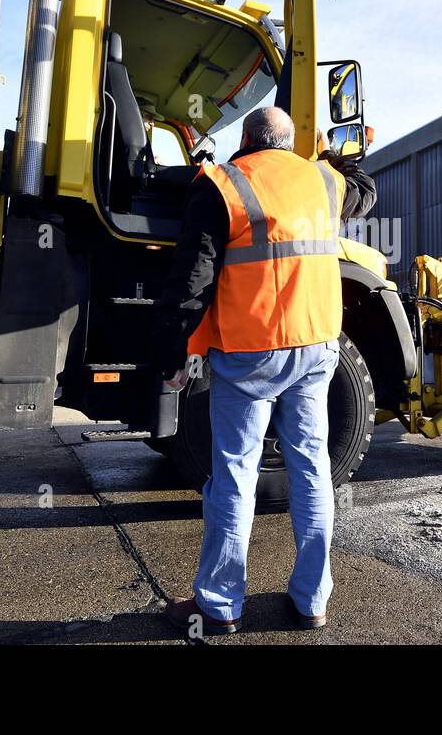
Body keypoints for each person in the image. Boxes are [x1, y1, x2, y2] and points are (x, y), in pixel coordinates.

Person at [153, 105, 376, 636]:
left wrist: (173, 355)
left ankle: (220, 606)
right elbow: (365, 187)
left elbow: (193, 278)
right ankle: (312, 601)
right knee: (312, 469)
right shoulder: (324, 181)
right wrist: (335, 151)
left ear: (247, 139)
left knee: (234, 473)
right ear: (289, 141)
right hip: (319, 347)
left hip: (252, 353)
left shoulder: (222, 184)